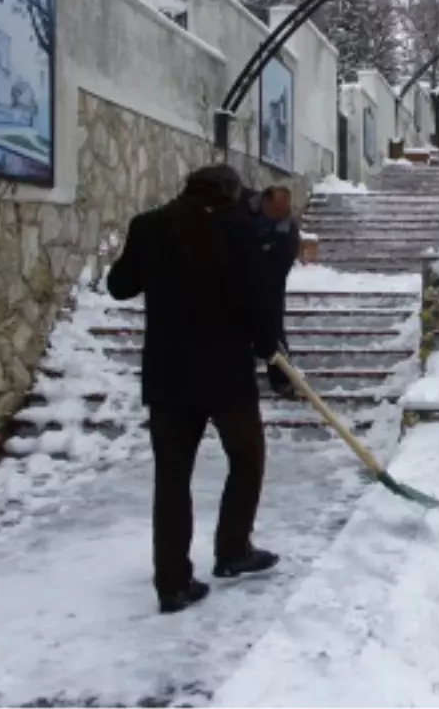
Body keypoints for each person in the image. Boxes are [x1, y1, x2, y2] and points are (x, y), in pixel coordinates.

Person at [107, 164, 281, 614]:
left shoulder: (150, 225)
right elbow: (258, 298)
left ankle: (173, 583)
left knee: (171, 477)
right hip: (227, 375)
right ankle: (233, 549)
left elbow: (119, 286)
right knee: (246, 457)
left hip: (168, 375)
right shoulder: (240, 230)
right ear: (229, 192)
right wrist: (270, 350)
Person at [240, 184, 300, 397]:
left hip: (269, 283)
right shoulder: (241, 208)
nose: (280, 216)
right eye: (276, 211)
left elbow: (283, 261)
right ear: (264, 202)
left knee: (273, 330)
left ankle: (282, 378)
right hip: (235, 281)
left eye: (284, 211)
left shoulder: (288, 227)